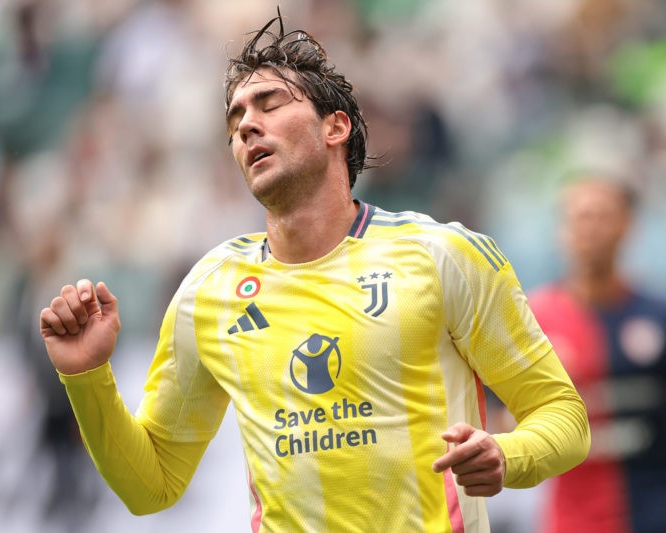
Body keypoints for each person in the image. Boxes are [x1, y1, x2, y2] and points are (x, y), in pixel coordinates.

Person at [39, 13, 589, 532]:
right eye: (235, 119)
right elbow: (151, 486)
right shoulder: (210, 291)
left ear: (336, 127)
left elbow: (564, 417)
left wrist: (507, 454)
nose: (247, 125)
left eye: (269, 103)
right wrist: (87, 377)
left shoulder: (442, 254)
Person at [528, 175, 666, 533]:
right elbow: (499, 416)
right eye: (580, 217)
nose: (591, 229)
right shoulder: (531, 321)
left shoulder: (657, 315)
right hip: (572, 515)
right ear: (561, 229)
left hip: (653, 508)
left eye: (603, 216)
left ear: (628, 226)